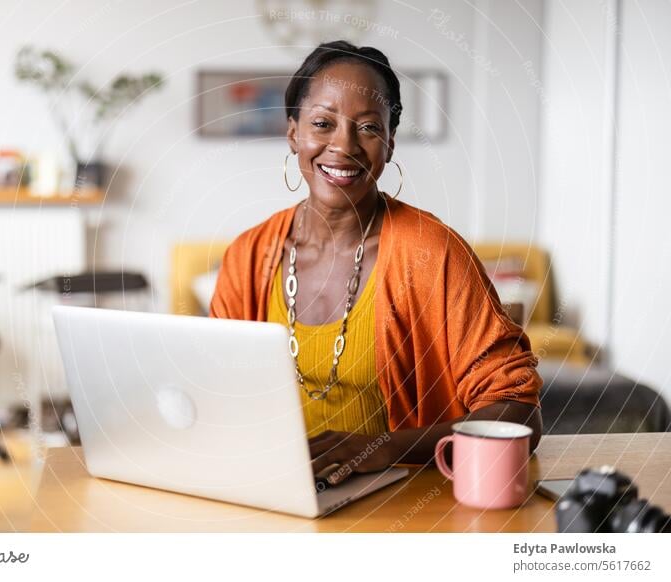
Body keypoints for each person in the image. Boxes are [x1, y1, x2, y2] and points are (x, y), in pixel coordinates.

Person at [210, 40, 542, 485]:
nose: (343, 146)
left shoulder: (433, 255)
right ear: (293, 133)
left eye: (367, 128)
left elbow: (519, 415)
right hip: (274, 496)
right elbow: (217, 393)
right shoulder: (247, 257)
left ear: (389, 142)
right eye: (323, 123)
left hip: (403, 505)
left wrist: (385, 447)